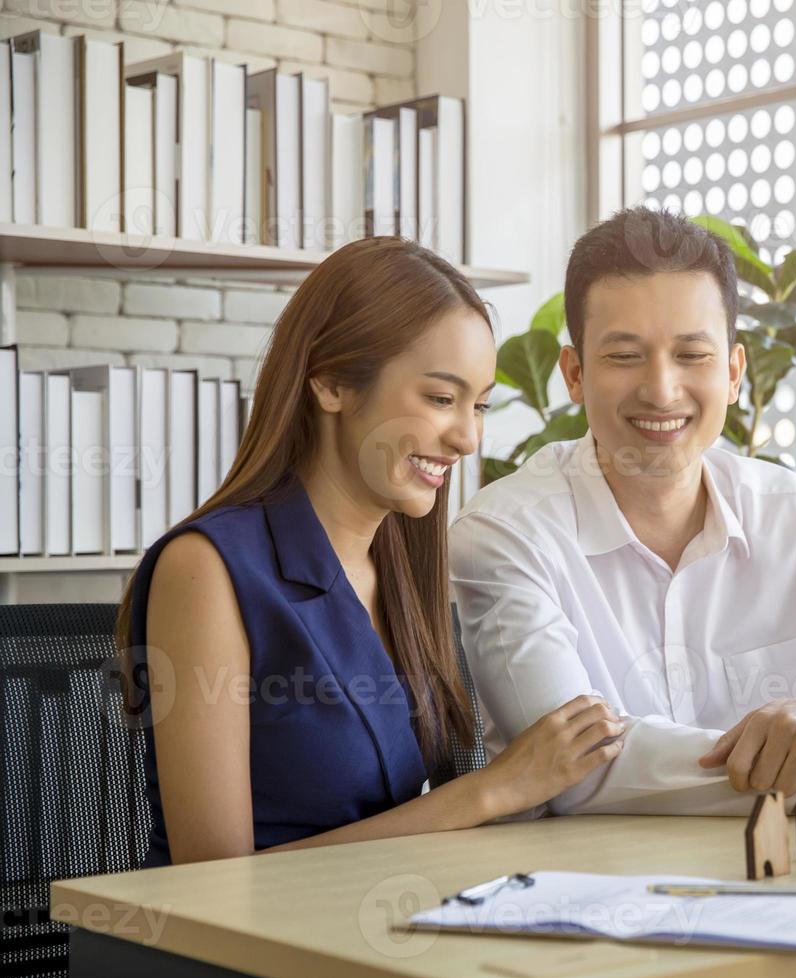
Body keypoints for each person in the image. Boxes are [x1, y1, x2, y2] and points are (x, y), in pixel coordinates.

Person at [449, 208, 796, 817]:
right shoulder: (504, 533)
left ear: (734, 373)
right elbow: (577, 773)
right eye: (625, 356)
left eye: (691, 355)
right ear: (574, 375)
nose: (661, 389)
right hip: (579, 889)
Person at [118, 237, 624, 866]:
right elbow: (213, 875)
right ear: (331, 382)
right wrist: (491, 790)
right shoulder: (205, 570)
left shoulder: (402, 568)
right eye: (441, 399)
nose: (467, 437)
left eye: (479, 405)